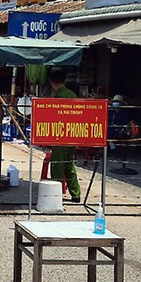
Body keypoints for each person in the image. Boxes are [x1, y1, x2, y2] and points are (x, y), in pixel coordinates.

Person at [47, 69, 81, 203]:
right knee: (69, 165)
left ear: (51, 83)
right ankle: (76, 194)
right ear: (64, 81)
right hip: (72, 135)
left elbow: (54, 117)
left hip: (60, 135)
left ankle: (55, 196)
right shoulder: (73, 95)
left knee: (57, 166)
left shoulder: (57, 97)